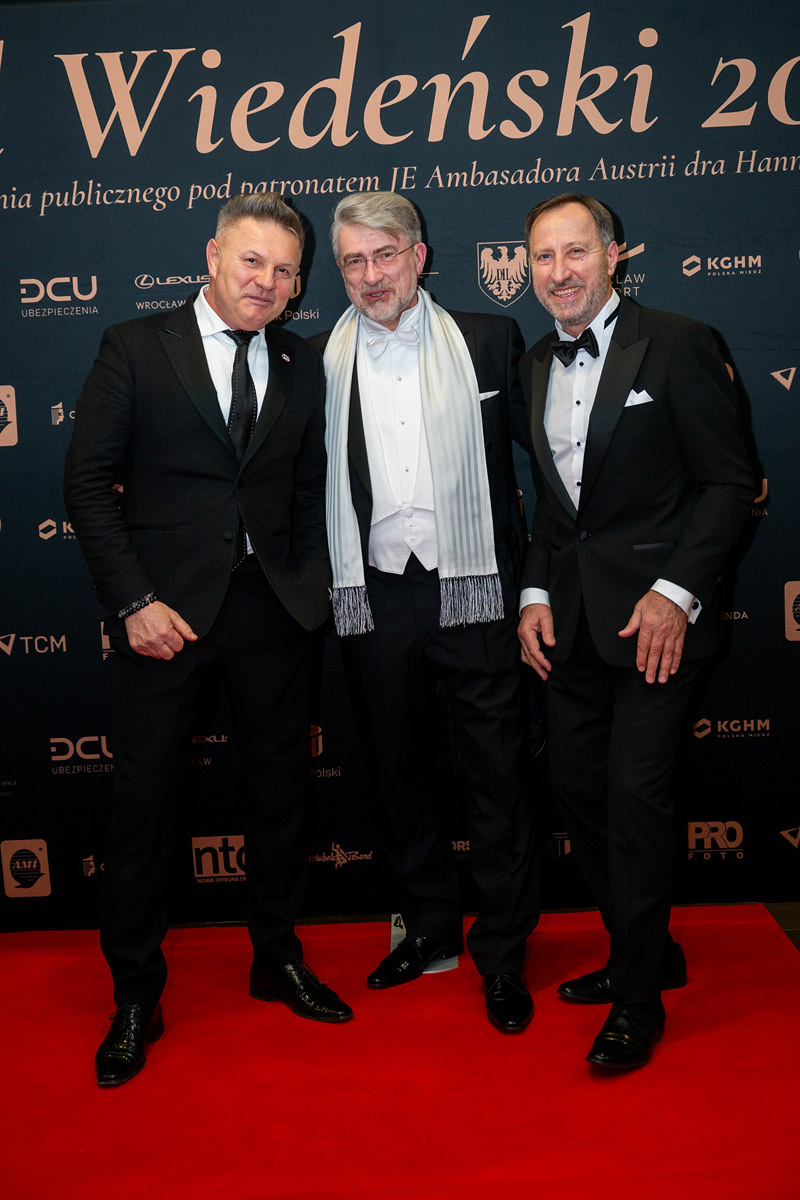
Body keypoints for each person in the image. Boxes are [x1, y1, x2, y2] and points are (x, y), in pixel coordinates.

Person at [64, 192, 352, 1089]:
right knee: (145, 807)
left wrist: (306, 583)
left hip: (273, 614)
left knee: (279, 795)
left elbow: (310, 486)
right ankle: (135, 995)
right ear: (213, 256)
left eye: (285, 271)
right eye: (252, 261)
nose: (267, 282)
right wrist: (134, 602)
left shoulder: (303, 362)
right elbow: (87, 484)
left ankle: (277, 958)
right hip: (165, 620)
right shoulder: (134, 345)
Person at [517, 193, 752, 1069]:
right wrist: (533, 592)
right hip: (571, 627)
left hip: (659, 628)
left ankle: (639, 999)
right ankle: (645, 950)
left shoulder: (681, 343)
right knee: (578, 790)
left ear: (614, 255)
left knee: (636, 799)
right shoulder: (535, 362)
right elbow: (553, 508)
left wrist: (676, 593)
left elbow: (729, 484)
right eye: (544, 257)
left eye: (576, 251)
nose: (560, 272)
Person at [312, 191, 539, 1033]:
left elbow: (549, 461)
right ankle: (431, 927)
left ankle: (503, 954)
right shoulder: (318, 360)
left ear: (419, 256)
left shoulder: (489, 339)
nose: (370, 276)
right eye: (353, 261)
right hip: (374, 593)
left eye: (384, 256)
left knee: (497, 775)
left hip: (474, 587)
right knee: (398, 772)